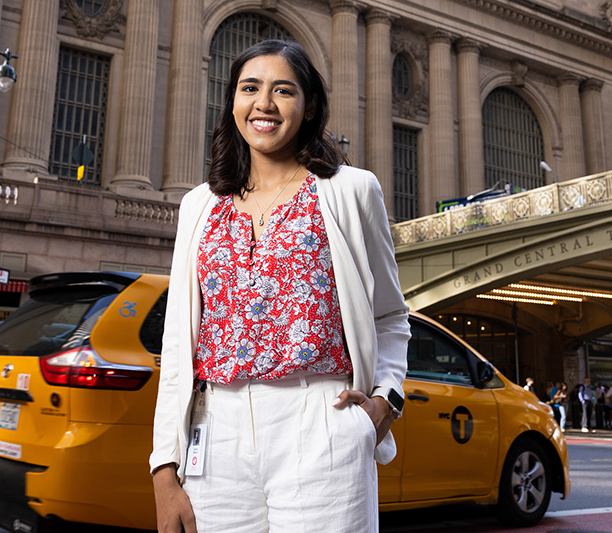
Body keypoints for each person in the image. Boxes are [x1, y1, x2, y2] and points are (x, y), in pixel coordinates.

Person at [149, 39, 410, 533]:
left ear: (309, 107)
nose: (263, 104)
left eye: (283, 90)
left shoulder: (351, 191)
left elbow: (391, 315)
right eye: (250, 88)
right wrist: (164, 468)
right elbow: (178, 345)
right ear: (232, 101)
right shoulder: (198, 205)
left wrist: (385, 403)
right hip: (215, 428)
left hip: (323, 422)